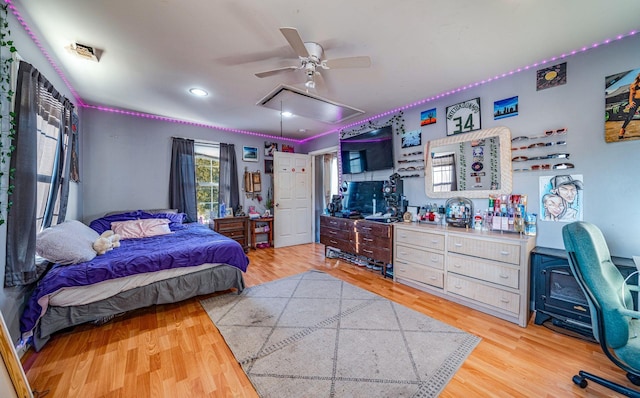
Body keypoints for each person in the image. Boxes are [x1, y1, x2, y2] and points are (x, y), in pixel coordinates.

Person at [619, 72, 640, 139]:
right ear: (639, 76)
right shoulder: (633, 85)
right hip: (636, 100)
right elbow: (631, 95)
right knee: (630, 115)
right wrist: (630, 102)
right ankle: (622, 129)